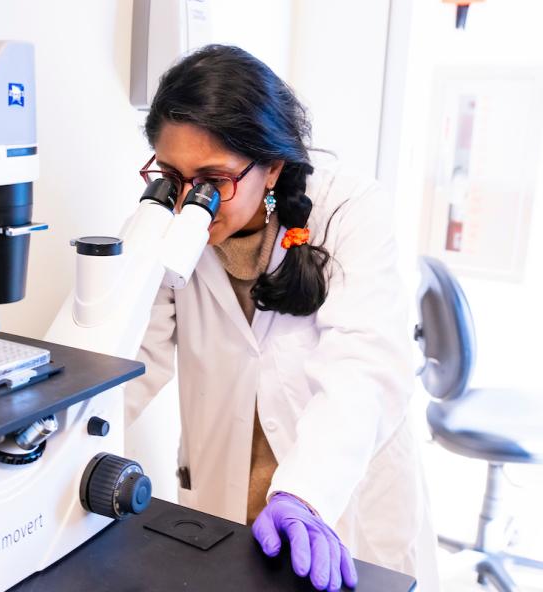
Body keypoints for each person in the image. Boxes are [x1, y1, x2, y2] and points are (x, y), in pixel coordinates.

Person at [125, 45, 439, 591]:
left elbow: (364, 368)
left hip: (333, 498)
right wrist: (50, 437)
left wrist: (305, 492)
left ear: (271, 168)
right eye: (172, 176)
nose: (187, 203)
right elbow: (130, 359)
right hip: (226, 495)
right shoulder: (168, 225)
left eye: (213, 181)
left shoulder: (349, 207)